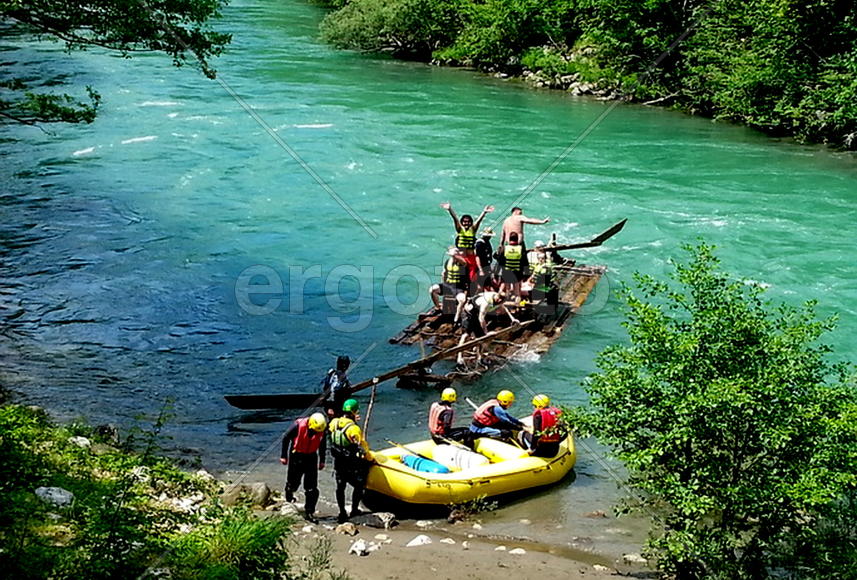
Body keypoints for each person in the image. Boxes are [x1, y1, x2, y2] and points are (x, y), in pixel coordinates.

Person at [328, 398, 374, 523]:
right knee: (359, 485)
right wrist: (370, 459)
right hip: (350, 462)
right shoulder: (354, 429)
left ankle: (342, 512)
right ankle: (354, 509)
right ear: (354, 412)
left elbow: (334, 432)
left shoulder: (334, 423)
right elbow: (362, 446)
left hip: (338, 462)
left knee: (340, 487)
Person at [280, 412, 328, 523]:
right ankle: (289, 497)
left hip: (311, 457)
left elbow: (323, 445)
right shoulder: (297, 426)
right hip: (296, 455)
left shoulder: (321, 430)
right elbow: (286, 438)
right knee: (293, 483)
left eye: (317, 432)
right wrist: (283, 456)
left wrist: (322, 460)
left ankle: (309, 511)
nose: (315, 433)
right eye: (314, 431)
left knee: (312, 488)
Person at [456, 290, 519, 366]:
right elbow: (481, 319)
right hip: (468, 313)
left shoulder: (499, 299)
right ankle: (459, 357)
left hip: (477, 313)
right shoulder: (486, 302)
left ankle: (479, 358)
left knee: (480, 338)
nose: (500, 303)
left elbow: (504, 307)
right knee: (465, 335)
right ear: (498, 299)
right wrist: (485, 333)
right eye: (500, 301)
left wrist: (512, 319)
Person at [440, 202, 494, 282]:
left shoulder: (473, 230)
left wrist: (484, 212)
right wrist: (450, 209)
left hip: (471, 258)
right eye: (465, 222)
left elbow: (479, 221)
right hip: (461, 257)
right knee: (458, 273)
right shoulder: (460, 230)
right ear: (462, 222)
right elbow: (455, 219)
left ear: (471, 222)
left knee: (471, 277)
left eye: (468, 222)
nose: (466, 223)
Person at [500, 206, 550, 275]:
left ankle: (507, 274)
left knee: (508, 261)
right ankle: (525, 275)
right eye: (520, 212)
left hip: (507, 244)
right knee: (523, 261)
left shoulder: (506, 220)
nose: (521, 213)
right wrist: (542, 222)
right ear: (516, 211)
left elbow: (503, 234)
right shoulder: (519, 217)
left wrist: (501, 244)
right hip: (518, 244)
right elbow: (530, 220)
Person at [429, 247, 469, 315]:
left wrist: (454, 255)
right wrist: (444, 285)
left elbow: (464, 263)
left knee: (462, 299)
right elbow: (444, 274)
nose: (457, 252)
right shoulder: (448, 262)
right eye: (455, 251)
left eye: (457, 251)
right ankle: (438, 308)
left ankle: (458, 316)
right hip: (448, 285)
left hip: (458, 287)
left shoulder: (461, 262)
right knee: (432, 289)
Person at [500, 232, 525, 301]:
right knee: (517, 290)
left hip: (507, 271)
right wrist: (525, 272)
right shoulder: (520, 248)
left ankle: (507, 300)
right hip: (517, 272)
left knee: (507, 289)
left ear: (509, 239)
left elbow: (501, 261)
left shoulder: (505, 248)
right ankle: (517, 303)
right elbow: (524, 261)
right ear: (517, 239)